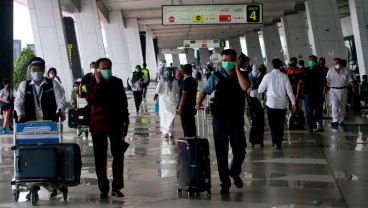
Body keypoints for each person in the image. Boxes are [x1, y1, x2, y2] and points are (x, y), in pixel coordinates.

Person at [195, 49, 250, 195]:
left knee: (240, 150)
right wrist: (198, 103)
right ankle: (224, 182)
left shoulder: (242, 75)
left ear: (236, 61)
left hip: (236, 119)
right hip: (219, 119)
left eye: (229, 60)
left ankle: (234, 171)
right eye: (224, 60)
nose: (226, 63)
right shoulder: (216, 76)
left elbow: (245, 87)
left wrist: (237, 70)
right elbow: (204, 90)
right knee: (221, 152)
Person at [14, 57, 66, 198]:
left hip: (49, 125)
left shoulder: (52, 84)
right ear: (30, 70)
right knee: (31, 154)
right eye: (34, 70)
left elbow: (61, 100)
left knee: (49, 153)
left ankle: (51, 183)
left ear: (43, 70)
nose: (36, 72)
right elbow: (18, 102)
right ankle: (33, 184)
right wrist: (19, 115)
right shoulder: (24, 85)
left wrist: (58, 111)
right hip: (30, 126)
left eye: (39, 69)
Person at [86, 58, 130, 199]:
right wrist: (98, 83)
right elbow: (91, 100)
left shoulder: (117, 82)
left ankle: (116, 187)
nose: (107, 70)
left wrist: (126, 121)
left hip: (115, 123)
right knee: (100, 158)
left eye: (109, 67)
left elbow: (123, 102)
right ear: (98, 69)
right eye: (104, 68)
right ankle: (103, 189)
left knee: (118, 155)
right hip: (98, 124)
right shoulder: (91, 82)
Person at [258, 58, 296, 149]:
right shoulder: (284, 76)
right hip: (282, 104)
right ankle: (279, 142)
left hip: (271, 103)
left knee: (272, 124)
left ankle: (274, 142)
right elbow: (289, 91)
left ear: (272, 66)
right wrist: (293, 102)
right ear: (280, 66)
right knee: (280, 124)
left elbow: (260, 89)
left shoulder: (267, 76)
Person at [296, 55, 326, 132]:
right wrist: (298, 94)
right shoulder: (305, 70)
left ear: (316, 62)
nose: (311, 62)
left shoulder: (319, 70)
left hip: (318, 93)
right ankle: (310, 126)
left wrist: (323, 89)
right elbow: (300, 83)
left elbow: (324, 82)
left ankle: (313, 120)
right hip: (307, 92)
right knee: (308, 110)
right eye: (310, 60)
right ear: (308, 61)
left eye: (313, 60)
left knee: (319, 109)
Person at [326, 58, 355, 126]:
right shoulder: (330, 70)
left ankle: (341, 121)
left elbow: (350, 79)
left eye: (339, 63)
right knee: (335, 105)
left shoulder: (346, 70)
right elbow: (327, 80)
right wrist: (325, 88)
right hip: (333, 90)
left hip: (344, 90)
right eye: (336, 63)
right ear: (333, 64)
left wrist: (353, 85)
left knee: (343, 106)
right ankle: (335, 120)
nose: (338, 65)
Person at [154, 68, 179, 142]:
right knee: (171, 116)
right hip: (172, 101)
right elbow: (178, 91)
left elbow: (158, 90)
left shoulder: (162, 80)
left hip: (164, 102)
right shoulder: (175, 81)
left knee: (164, 117)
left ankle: (165, 132)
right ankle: (170, 132)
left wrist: (155, 95)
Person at [177, 64, 198, 137]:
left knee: (186, 128)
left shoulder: (186, 81)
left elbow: (184, 95)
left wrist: (180, 107)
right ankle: (193, 142)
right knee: (191, 126)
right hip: (191, 107)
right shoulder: (193, 80)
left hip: (185, 108)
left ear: (183, 72)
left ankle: (188, 144)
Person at [248, 64, 265, 147]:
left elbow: (248, 81)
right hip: (258, 90)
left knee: (252, 103)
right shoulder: (260, 73)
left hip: (252, 90)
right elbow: (262, 82)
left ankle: (253, 112)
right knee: (258, 102)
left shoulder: (250, 74)